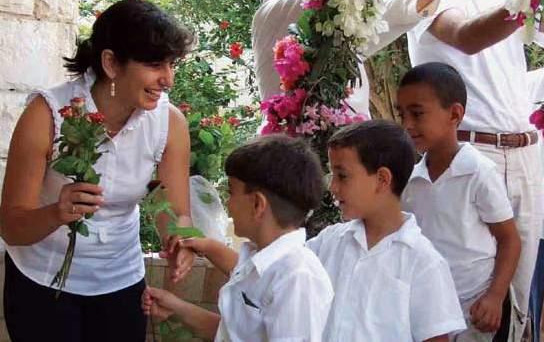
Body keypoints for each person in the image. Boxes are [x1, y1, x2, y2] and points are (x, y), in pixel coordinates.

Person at [406, 0, 544, 340]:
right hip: (469, 156)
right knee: (467, 301)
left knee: (516, 305)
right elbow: (468, 37)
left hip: (526, 157)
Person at [0, 0, 195, 342]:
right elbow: (11, 227)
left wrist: (180, 241)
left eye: (171, 64)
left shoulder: (170, 123)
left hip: (120, 281)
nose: (168, 79)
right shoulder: (47, 115)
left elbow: (175, 210)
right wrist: (57, 213)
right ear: (111, 62)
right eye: (154, 64)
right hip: (44, 282)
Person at [252, 0, 495, 117]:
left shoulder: (342, 27)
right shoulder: (271, 13)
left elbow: (403, 8)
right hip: (289, 158)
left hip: (346, 155)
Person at [142, 135, 333, 341]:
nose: (227, 202)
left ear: (257, 204)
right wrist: (176, 308)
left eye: (231, 192)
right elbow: (232, 334)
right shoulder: (259, 261)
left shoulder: (297, 278)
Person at [308, 120, 467, 341]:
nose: (333, 187)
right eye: (332, 175)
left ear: (382, 179)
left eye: (342, 176)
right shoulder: (328, 242)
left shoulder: (423, 262)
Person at [398, 62, 521, 341]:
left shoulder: (479, 172)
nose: (407, 124)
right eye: (402, 114)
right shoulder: (410, 178)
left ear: (454, 114)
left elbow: (509, 240)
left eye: (417, 114)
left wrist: (495, 296)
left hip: (474, 310)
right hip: (428, 311)